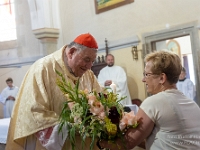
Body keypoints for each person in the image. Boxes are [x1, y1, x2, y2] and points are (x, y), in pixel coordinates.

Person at [6, 33, 102, 150]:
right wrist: (70, 128)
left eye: (92, 61)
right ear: (71, 52)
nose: (89, 66)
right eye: (86, 60)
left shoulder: (88, 75)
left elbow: (100, 100)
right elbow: (34, 113)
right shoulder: (43, 69)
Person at [99, 50, 200, 150]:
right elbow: (166, 140)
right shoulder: (193, 104)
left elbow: (126, 143)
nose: (143, 79)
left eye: (147, 75)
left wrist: (98, 141)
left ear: (162, 78)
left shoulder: (154, 102)